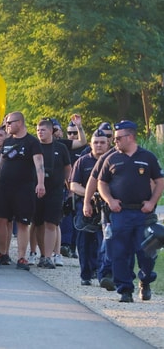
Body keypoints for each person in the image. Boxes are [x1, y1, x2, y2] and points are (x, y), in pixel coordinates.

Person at [97, 120, 164, 303]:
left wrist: (152, 202)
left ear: (130, 137)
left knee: (146, 252)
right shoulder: (111, 158)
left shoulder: (147, 157)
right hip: (120, 212)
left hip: (143, 213)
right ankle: (125, 289)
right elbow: (101, 182)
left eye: (118, 138)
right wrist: (110, 200)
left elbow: (159, 181)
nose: (115, 141)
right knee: (119, 252)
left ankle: (146, 279)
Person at [0, 111, 46, 270]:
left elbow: (39, 164)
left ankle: (22, 257)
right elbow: (1, 163)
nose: (7, 126)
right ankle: (2, 253)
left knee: (23, 223)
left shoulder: (32, 142)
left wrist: (41, 183)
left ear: (20, 123)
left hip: (24, 188)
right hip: (3, 187)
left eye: (10, 123)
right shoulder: (7, 141)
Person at [70, 130, 110, 285]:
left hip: (108, 206)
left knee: (105, 241)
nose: (99, 145)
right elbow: (73, 185)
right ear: (91, 144)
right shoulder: (82, 161)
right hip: (86, 205)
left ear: (108, 144)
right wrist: (91, 195)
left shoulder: (113, 160)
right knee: (84, 242)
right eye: (96, 142)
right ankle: (86, 275)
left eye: (102, 142)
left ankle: (103, 275)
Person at [33, 118, 71, 269]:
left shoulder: (60, 148)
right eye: (38, 130)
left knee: (51, 223)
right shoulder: (34, 147)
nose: (40, 133)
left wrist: (67, 184)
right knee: (38, 223)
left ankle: (49, 256)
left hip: (55, 191)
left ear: (51, 131)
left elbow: (68, 168)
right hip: (36, 190)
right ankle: (42, 254)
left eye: (43, 130)